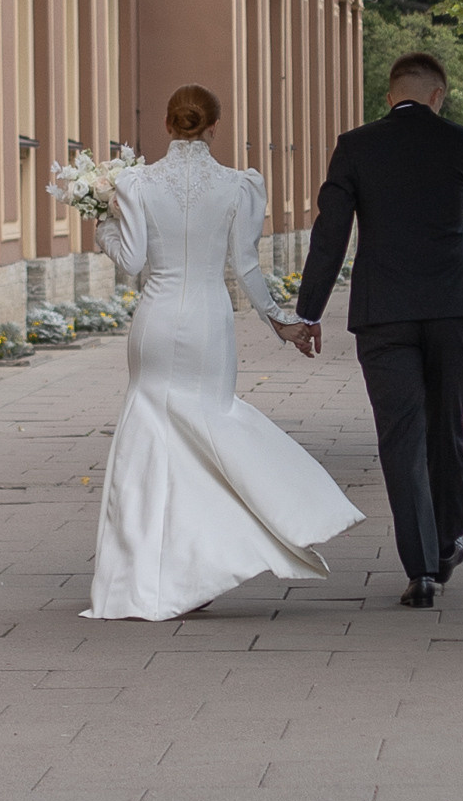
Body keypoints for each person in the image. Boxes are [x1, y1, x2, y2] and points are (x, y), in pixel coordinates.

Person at [83, 84, 363, 621]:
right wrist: (281, 322)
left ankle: (141, 571)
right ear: (214, 127)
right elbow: (245, 267)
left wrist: (105, 225)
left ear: (167, 125)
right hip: (210, 322)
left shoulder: (136, 183)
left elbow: (132, 260)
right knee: (209, 427)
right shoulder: (238, 186)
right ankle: (208, 559)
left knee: (150, 436)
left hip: (157, 320)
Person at [294, 51, 463, 608]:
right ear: (438, 95)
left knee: (401, 437)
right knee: (447, 424)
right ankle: (451, 536)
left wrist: (308, 312)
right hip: (455, 305)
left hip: (383, 310)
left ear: (390, 96)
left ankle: (421, 570)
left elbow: (330, 232)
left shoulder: (355, 145)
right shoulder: (460, 139)